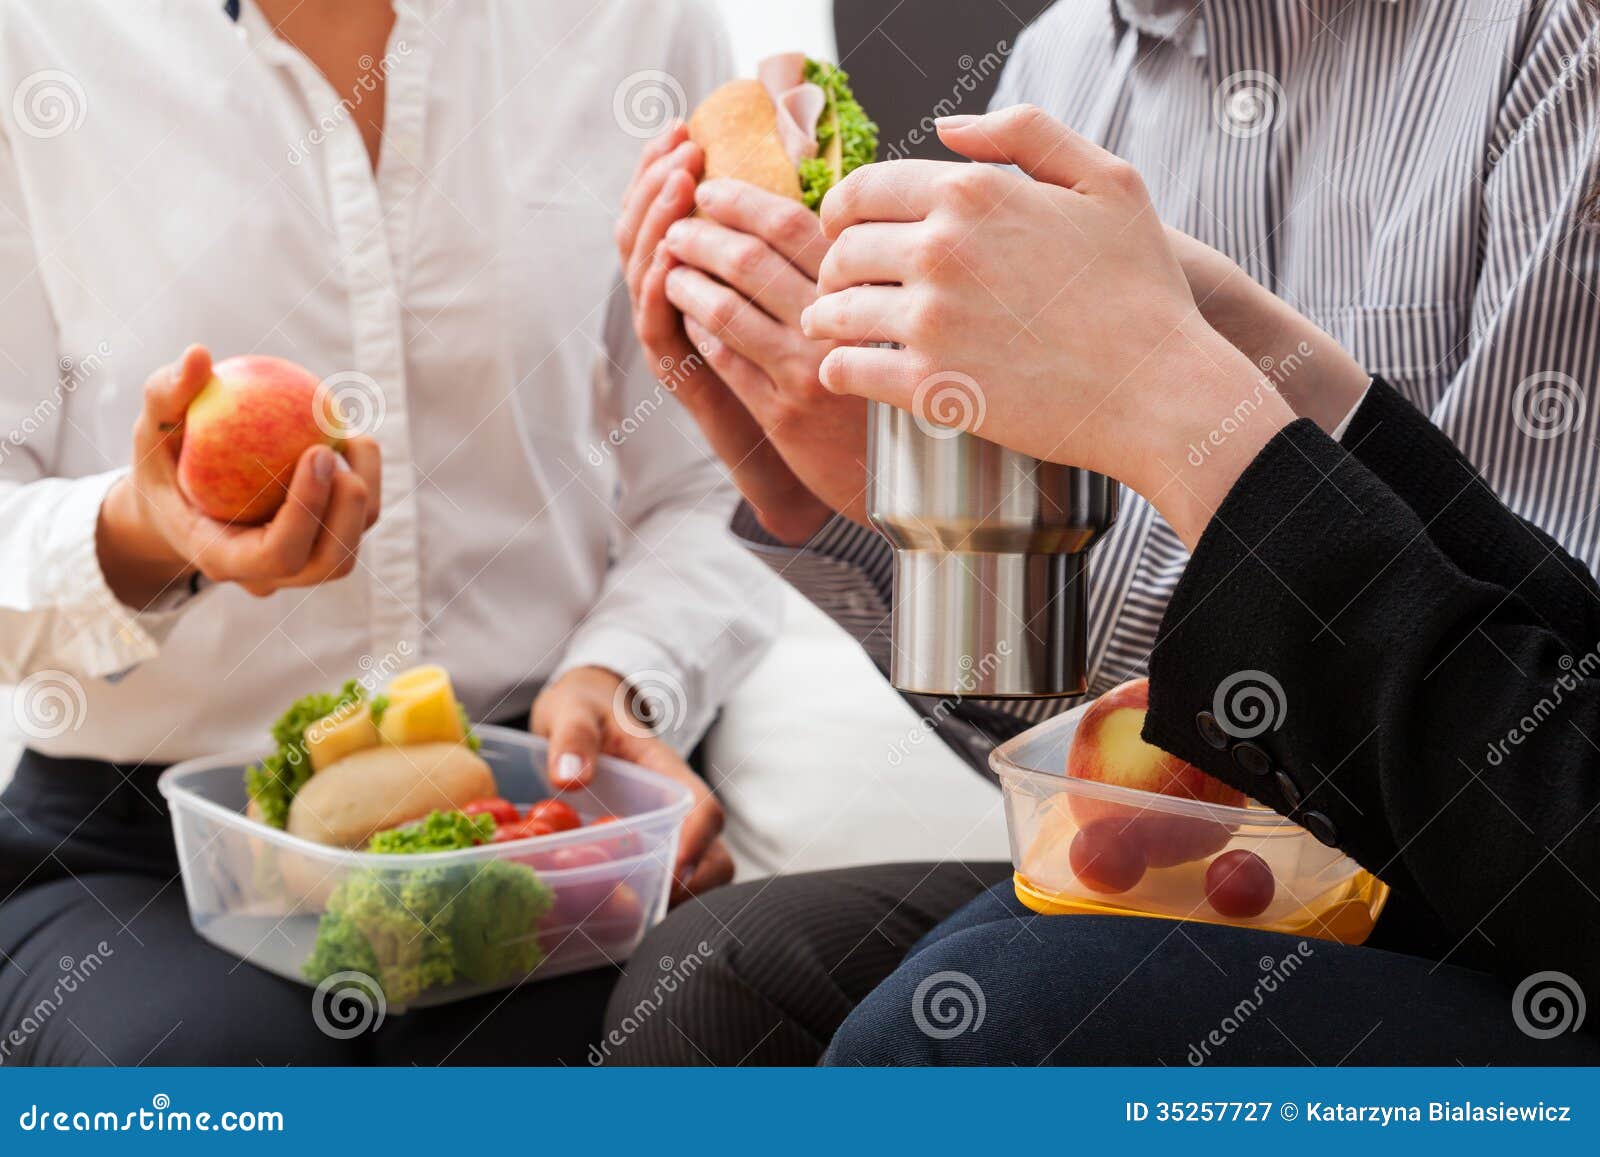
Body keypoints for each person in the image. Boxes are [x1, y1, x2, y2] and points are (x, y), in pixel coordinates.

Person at [602, 0, 1600, 1062]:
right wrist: (846, 497)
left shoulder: (1549, 40)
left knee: (979, 1019)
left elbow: (1521, 746)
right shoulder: (1059, 60)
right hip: (1233, 867)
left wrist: (1170, 415)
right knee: (711, 981)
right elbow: (1064, 753)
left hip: (1480, 905)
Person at [0, 0, 775, 1065]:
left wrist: (619, 675)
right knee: (205, 1081)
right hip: (148, 861)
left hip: (525, 819)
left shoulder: (635, 24)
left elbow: (719, 477)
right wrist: (146, 530)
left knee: (683, 1048)